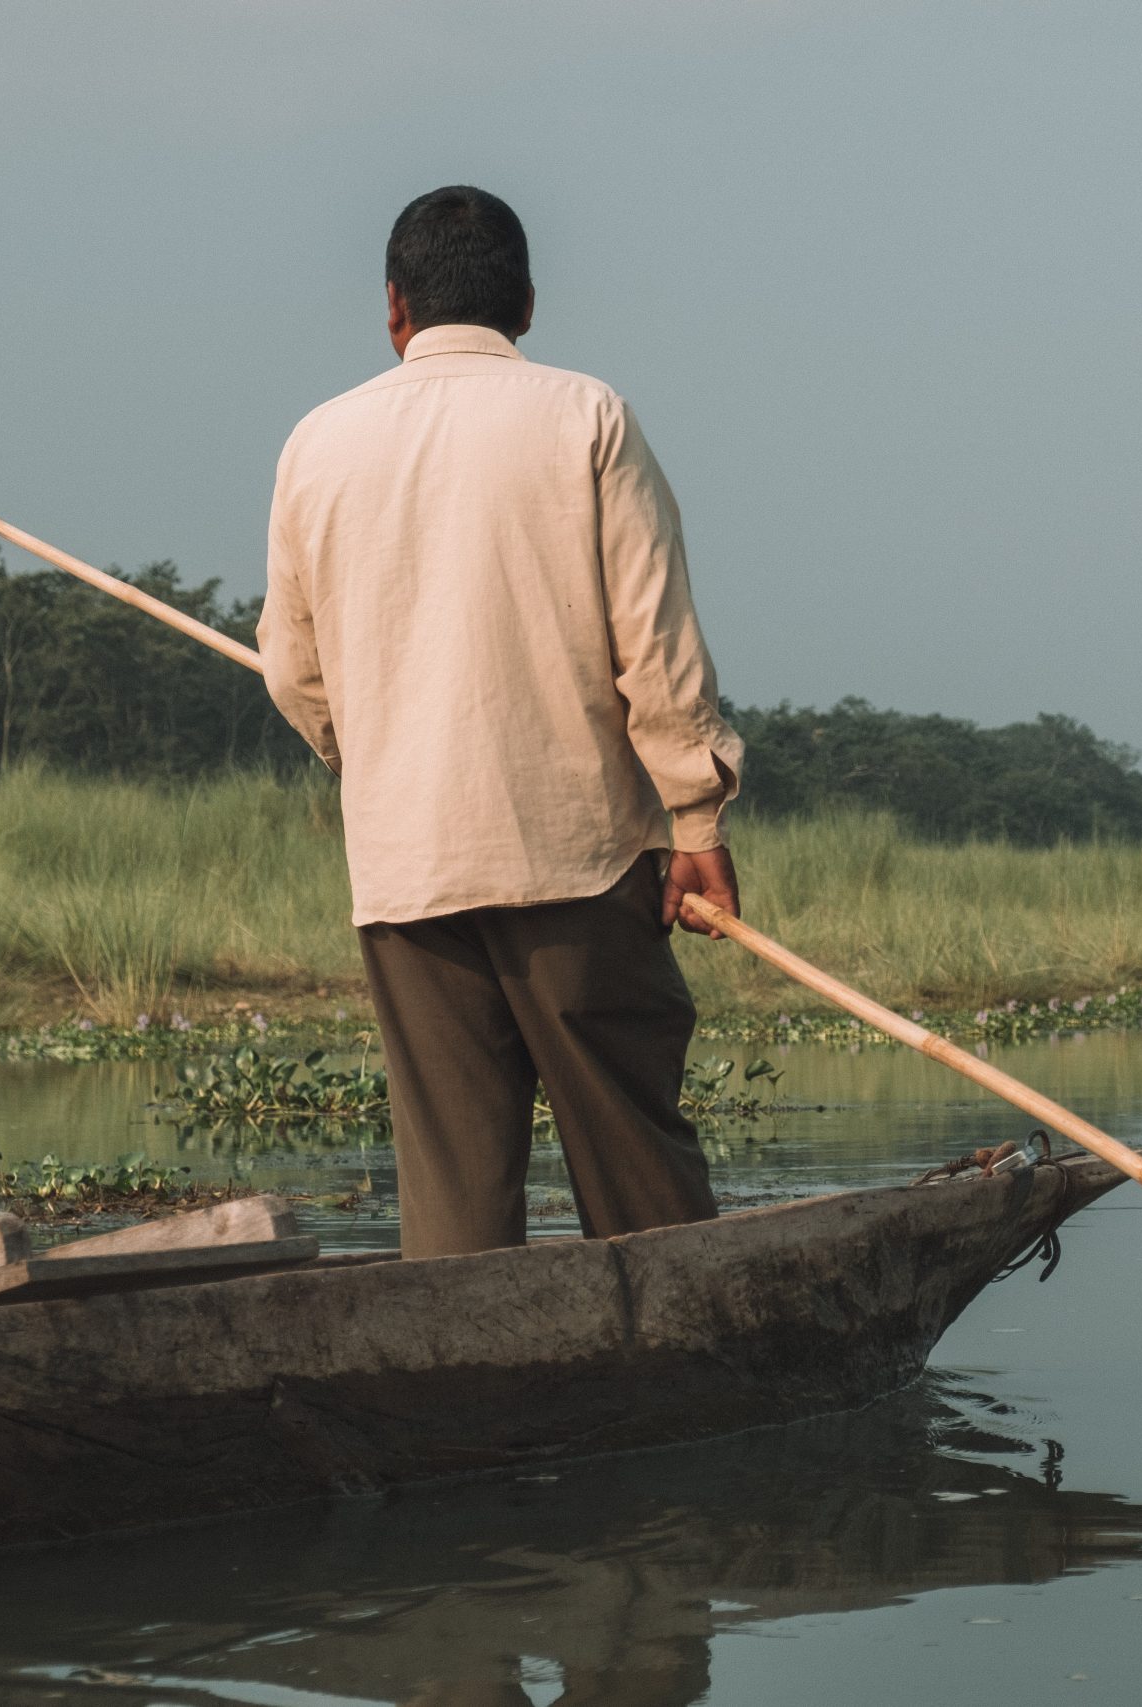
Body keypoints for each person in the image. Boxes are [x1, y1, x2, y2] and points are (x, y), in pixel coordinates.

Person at [259, 185, 744, 1259]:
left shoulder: (318, 443)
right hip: (574, 856)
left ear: (394, 308)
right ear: (524, 303)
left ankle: (459, 1380)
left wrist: (381, 757)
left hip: (406, 868)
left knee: (455, 1190)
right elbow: (653, 649)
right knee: (636, 1165)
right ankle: (682, 1354)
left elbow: (292, 674)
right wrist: (696, 826)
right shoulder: (586, 416)